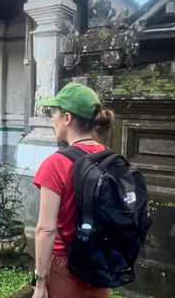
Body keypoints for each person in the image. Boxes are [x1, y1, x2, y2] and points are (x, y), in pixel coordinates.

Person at [32, 83, 115, 298]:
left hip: (65, 264)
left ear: (67, 118)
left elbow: (46, 229)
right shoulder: (111, 159)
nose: (52, 118)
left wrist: (40, 282)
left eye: (55, 113)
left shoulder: (56, 163)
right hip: (100, 263)